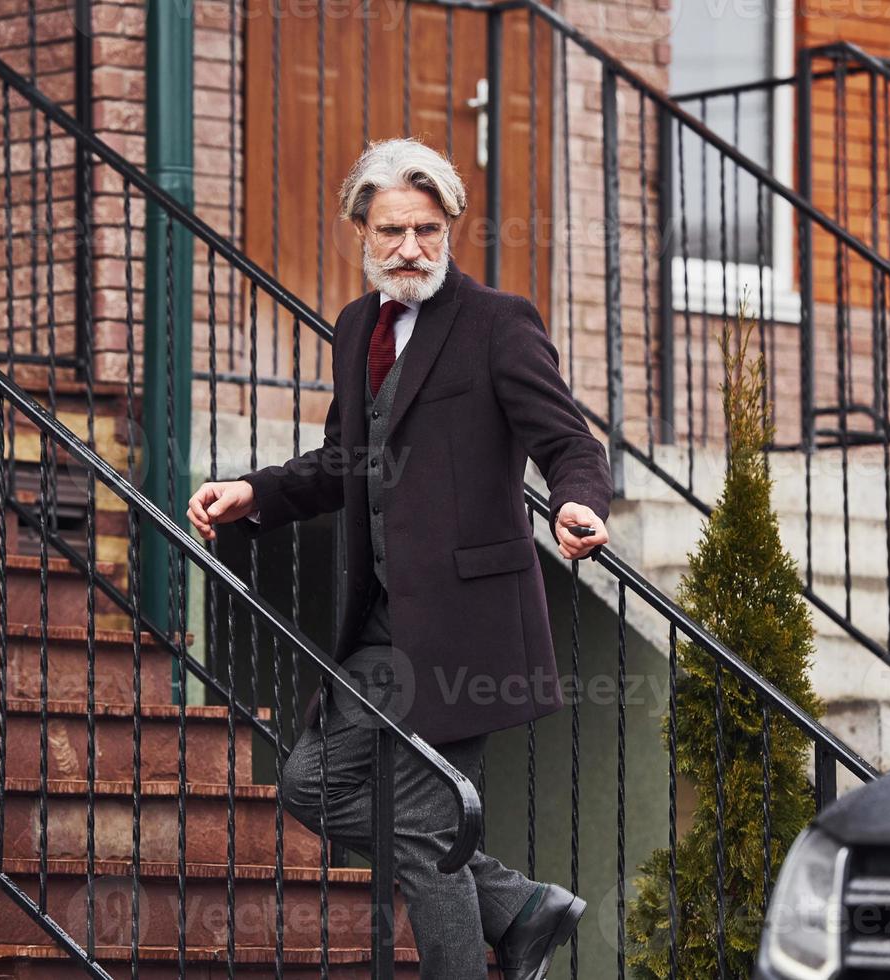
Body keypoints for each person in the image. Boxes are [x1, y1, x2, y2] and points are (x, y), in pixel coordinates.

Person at [187, 137, 610, 980]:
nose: (409, 248)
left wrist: (578, 502)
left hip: (468, 631)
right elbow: (341, 460)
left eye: (425, 229)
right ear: (361, 233)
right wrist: (256, 492)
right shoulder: (356, 327)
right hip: (380, 629)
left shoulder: (498, 323)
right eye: (391, 231)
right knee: (311, 785)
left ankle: (503, 927)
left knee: (420, 821)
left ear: (449, 226)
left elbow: (566, 439)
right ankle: (518, 906)